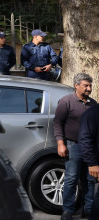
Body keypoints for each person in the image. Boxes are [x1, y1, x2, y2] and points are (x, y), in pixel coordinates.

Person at [54, 73, 96, 219]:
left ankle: (88, 209)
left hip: (90, 148)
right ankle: (68, 211)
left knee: (90, 180)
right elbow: (57, 123)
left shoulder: (93, 104)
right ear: (76, 85)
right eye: (86, 85)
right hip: (73, 145)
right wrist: (61, 144)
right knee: (71, 178)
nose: (89, 88)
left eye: (90, 85)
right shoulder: (66, 102)